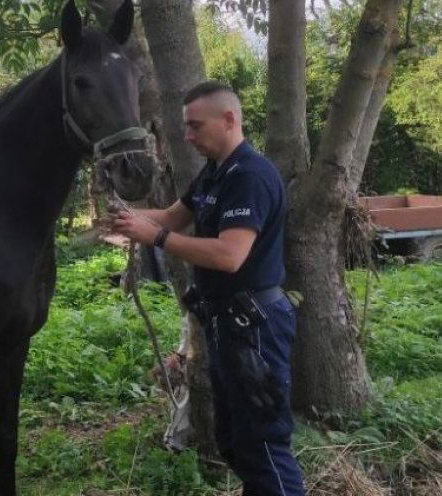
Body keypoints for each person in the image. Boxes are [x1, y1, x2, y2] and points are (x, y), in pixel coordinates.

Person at [107, 80, 305, 495]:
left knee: (264, 448)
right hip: (227, 327)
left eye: (195, 126)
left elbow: (229, 255)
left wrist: (153, 238)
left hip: (255, 329)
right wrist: (131, 218)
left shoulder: (249, 175)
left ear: (229, 119)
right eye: (186, 127)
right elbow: (173, 217)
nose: (188, 136)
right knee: (235, 443)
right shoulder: (215, 173)